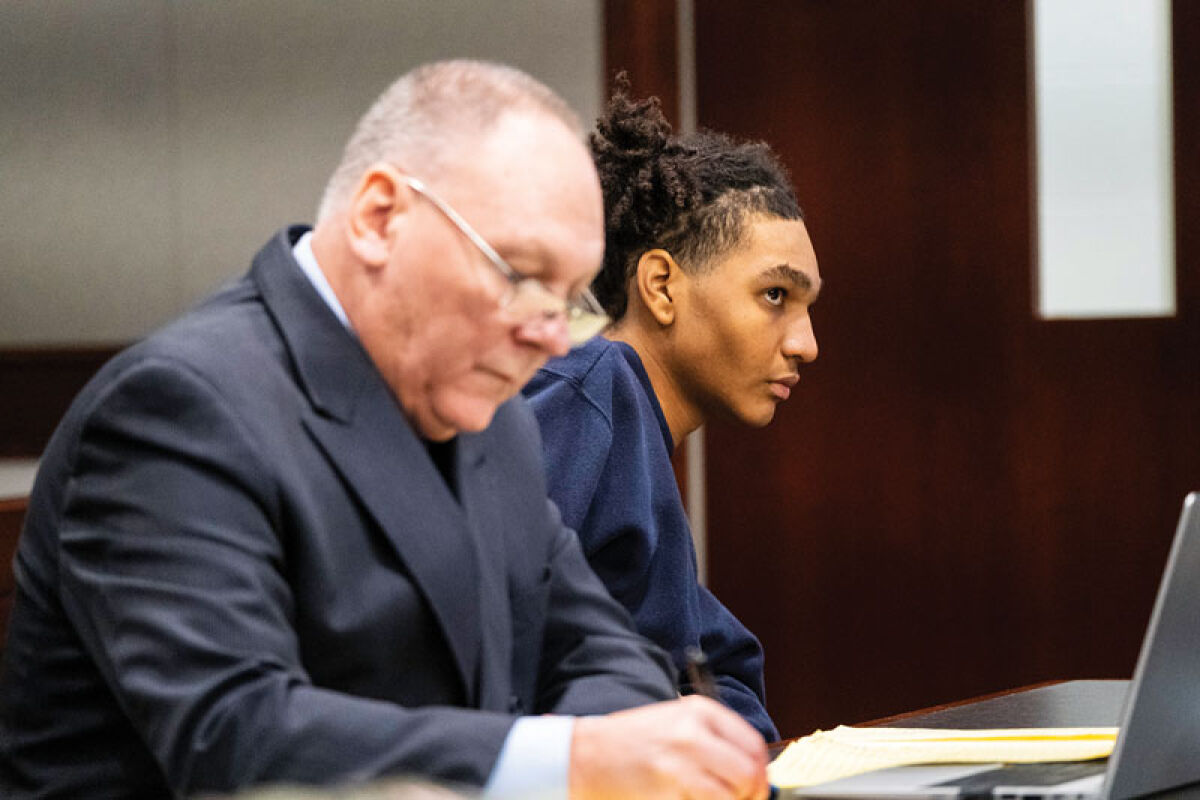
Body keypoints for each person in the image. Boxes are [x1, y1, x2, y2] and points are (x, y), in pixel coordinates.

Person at [0, 61, 771, 800]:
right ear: (378, 218)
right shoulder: (180, 405)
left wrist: (616, 741)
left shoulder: (490, 416)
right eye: (521, 277)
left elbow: (603, 649)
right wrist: (571, 757)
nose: (547, 335)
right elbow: (233, 734)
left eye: (568, 300)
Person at [523, 81, 821, 743]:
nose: (806, 344)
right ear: (661, 287)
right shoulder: (592, 387)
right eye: (775, 295)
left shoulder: (621, 424)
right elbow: (494, 650)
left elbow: (716, 666)